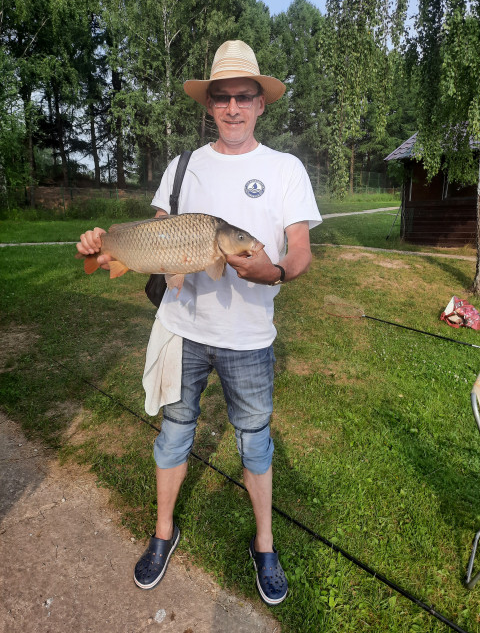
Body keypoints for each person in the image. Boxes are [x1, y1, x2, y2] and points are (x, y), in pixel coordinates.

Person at [76, 40, 322, 606]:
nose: (233, 106)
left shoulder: (285, 168)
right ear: (208, 104)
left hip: (250, 340)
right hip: (182, 330)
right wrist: (103, 247)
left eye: (244, 96)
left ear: (261, 103)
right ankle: (164, 532)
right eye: (222, 97)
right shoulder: (183, 165)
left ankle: (264, 543)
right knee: (174, 434)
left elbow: (303, 250)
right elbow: (158, 237)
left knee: (255, 442)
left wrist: (275, 270)